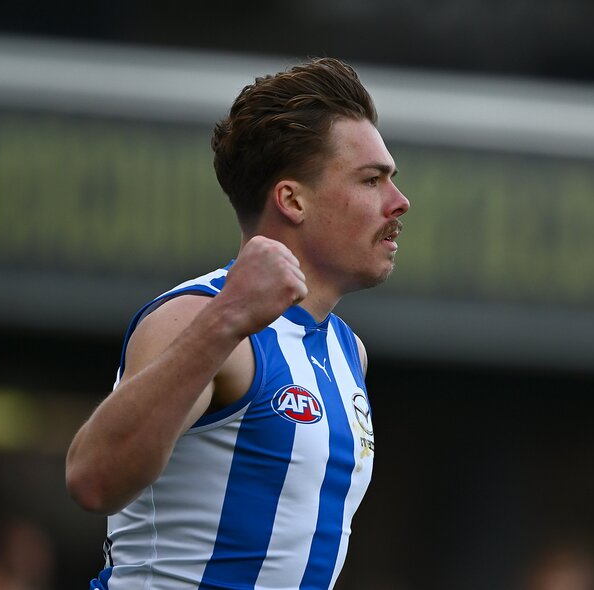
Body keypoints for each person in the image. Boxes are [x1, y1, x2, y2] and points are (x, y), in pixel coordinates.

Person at [65, 56, 410, 590]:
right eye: (372, 180)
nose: (398, 202)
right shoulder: (199, 314)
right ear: (292, 199)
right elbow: (93, 480)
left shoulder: (348, 351)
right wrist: (226, 318)